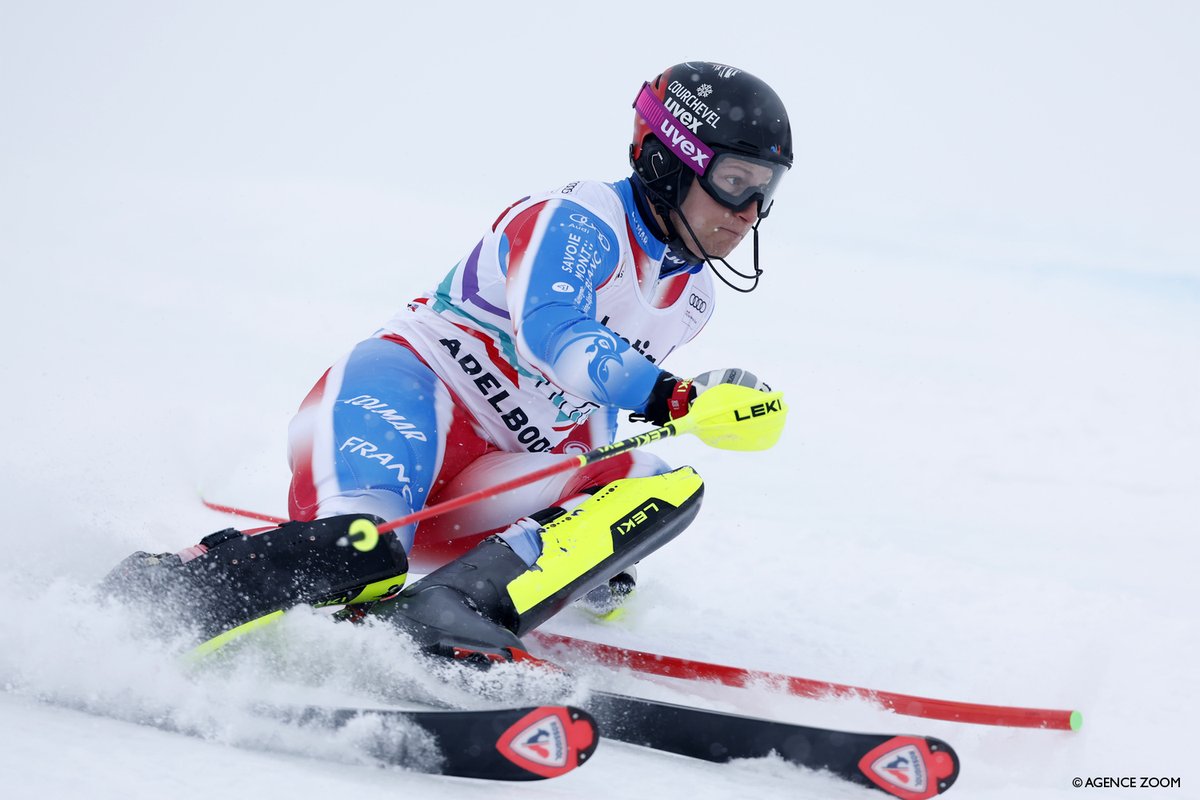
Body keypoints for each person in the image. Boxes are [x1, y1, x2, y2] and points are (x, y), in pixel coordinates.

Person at [103, 61, 793, 663]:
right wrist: (677, 399)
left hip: (492, 472)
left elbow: (587, 415)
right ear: (664, 160)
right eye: (735, 182)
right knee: (359, 553)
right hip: (408, 394)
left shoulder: (694, 297)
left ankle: (452, 606)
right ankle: (149, 603)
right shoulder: (580, 218)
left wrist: (593, 544)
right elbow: (558, 333)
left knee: (660, 481)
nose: (749, 212)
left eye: (767, 191)